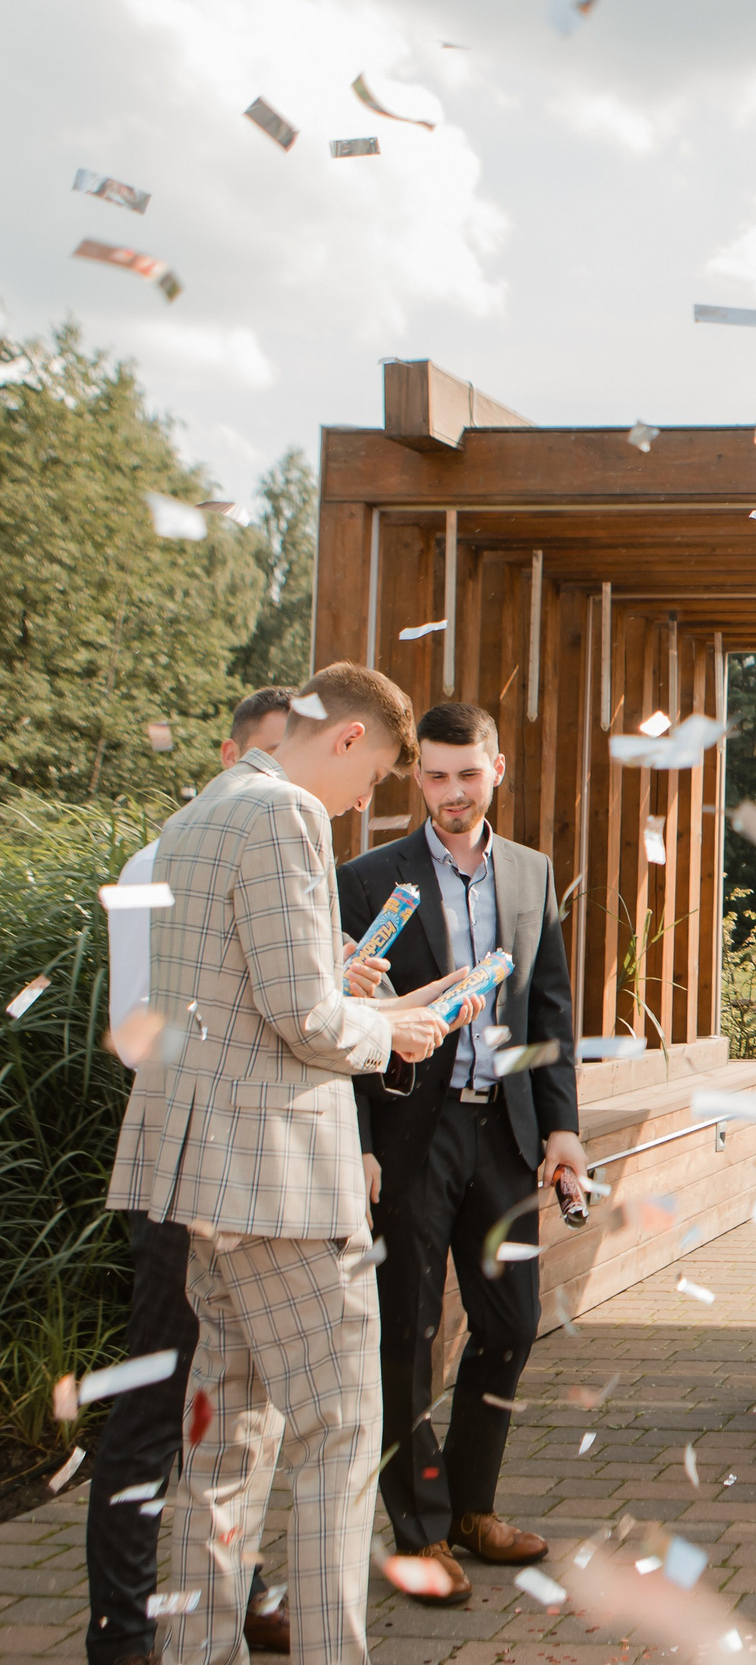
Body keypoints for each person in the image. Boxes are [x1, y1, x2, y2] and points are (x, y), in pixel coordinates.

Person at [105, 663, 469, 1665]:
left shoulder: (198, 814)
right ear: (349, 739)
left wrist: (392, 1011)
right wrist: (391, 1038)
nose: (364, 807)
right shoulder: (286, 816)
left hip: (193, 1175)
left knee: (224, 1448)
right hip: (275, 1180)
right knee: (341, 1438)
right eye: (377, 778)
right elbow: (301, 1015)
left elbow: (250, 1001)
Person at [89, 690, 316, 1662]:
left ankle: (245, 1585)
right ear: (229, 754)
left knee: (245, 1406)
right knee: (155, 1407)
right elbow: (136, 1030)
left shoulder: (283, 854)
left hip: (263, 1176)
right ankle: (123, 1631)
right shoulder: (155, 862)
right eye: (265, 760)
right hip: (186, 1170)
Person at [338, 701, 581, 1607]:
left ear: (497, 769)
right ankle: (421, 1528)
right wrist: (358, 1142)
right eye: (434, 775)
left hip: (506, 1129)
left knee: (512, 1324)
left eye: (466, 774)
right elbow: (344, 1019)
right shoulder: (368, 879)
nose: (449, 792)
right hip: (408, 1135)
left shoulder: (529, 872)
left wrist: (561, 1127)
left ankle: (474, 1508)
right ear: (417, 778)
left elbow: (547, 1009)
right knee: (405, 1333)